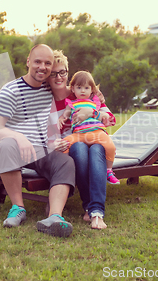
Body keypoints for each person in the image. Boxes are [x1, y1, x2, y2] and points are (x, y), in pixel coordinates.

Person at [0, 44, 75, 238]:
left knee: (66, 162)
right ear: (28, 62)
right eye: (37, 61)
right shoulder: (11, 91)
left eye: (47, 63)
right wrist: (19, 136)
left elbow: (70, 91)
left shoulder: (48, 87)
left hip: (41, 149)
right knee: (5, 144)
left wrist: (97, 98)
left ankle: (54, 217)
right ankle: (18, 208)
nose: (42, 67)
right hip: (14, 148)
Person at [48, 50, 116, 230]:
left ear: (67, 73)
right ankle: (89, 205)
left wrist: (92, 112)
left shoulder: (85, 91)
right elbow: (43, 135)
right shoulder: (44, 100)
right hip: (69, 146)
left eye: (62, 72)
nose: (58, 77)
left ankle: (96, 212)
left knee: (95, 150)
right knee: (79, 148)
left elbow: (110, 118)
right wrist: (54, 144)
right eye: (53, 73)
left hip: (95, 138)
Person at [57, 71, 119, 185]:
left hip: (96, 132)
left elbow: (109, 118)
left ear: (91, 90)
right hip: (79, 134)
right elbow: (65, 114)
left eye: (86, 88)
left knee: (110, 146)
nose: (83, 91)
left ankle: (109, 171)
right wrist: (61, 118)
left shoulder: (95, 102)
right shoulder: (71, 104)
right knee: (64, 144)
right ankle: (66, 169)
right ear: (73, 89)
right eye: (79, 87)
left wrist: (100, 115)